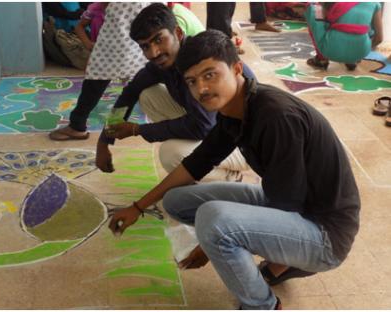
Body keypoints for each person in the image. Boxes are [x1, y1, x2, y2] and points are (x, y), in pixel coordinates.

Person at [108, 30, 360, 310]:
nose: (201, 89)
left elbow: (287, 205)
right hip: (290, 204)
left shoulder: (277, 116)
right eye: (192, 81)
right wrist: (138, 206)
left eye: (209, 75)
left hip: (324, 234)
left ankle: (261, 304)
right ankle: (280, 263)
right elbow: (195, 164)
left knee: (214, 220)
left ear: (237, 68)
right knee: (176, 201)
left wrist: (209, 242)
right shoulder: (233, 111)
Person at [94, 3, 254, 180]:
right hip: (215, 125)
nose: (154, 52)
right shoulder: (164, 63)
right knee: (147, 95)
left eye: (158, 40)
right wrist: (104, 141)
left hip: (244, 142)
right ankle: (196, 153)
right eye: (145, 46)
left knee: (172, 154)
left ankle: (229, 179)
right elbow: (129, 93)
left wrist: (138, 130)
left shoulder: (197, 64)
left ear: (178, 33)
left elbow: (202, 126)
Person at [49, 2, 150, 141]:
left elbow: (105, 5)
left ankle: (78, 125)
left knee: (95, 83)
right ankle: (113, 127)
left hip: (117, 39)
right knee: (131, 89)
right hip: (141, 39)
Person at [305, 2, 383, 71]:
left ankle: (321, 60)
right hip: (360, 52)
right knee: (366, 25)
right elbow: (379, 38)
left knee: (314, 7)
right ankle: (351, 60)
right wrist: (362, 49)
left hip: (331, 50)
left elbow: (324, 20)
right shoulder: (375, 3)